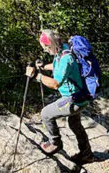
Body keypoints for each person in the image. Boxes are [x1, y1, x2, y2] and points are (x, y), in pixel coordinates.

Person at [25, 29, 94, 164]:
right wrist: (44, 66)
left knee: (45, 114)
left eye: (45, 47)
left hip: (73, 100)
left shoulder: (66, 58)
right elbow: (58, 66)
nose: (45, 50)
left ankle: (55, 143)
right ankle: (87, 154)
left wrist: (36, 76)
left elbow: (55, 84)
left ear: (50, 44)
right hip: (81, 95)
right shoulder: (64, 50)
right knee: (74, 124)